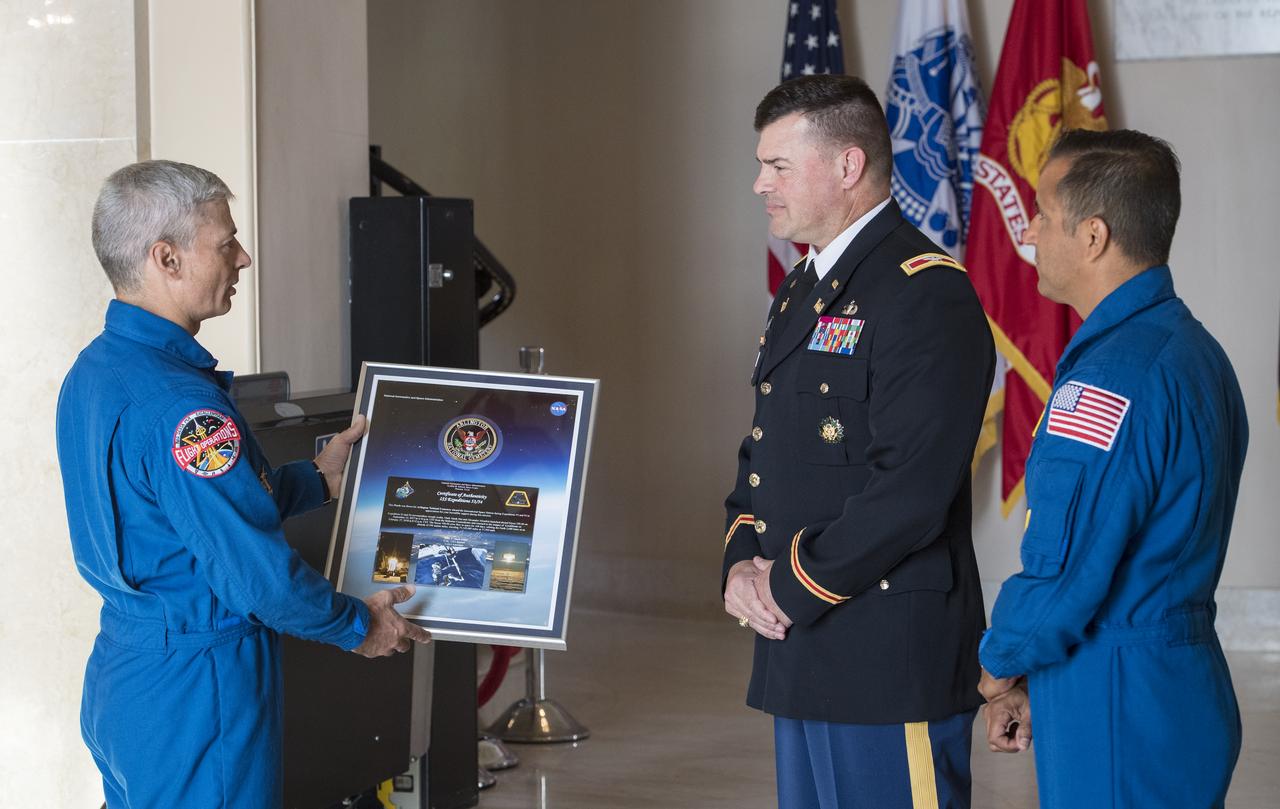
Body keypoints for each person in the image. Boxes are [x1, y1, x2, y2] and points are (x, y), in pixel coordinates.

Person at [57, 160, 431, 808]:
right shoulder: (183, 409)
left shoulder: (95, 373)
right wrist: (359, 626)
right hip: (201, 693)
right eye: (225, 242)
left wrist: (316, 478)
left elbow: (181, 517)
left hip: (127, 679)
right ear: (166, 258)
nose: (244, 256)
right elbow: (258, 580)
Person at [721, 75, 995, 809]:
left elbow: (909, 491)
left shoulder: (923, 292)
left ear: (847, 165)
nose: (759, 184)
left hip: (883, 654)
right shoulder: (801, 288)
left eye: (777, 165)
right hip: (801, 645)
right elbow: (763, 454)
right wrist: (741, 562)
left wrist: (782, 585)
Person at [977, 129, 1248, 808]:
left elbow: (1067, 569)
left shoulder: (1107, 380)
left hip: (1117, 697)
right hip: (1171, 681)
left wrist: (998, 665)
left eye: (1042, 213)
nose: (1030, 232)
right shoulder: (1194, 350)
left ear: (1093, 236)